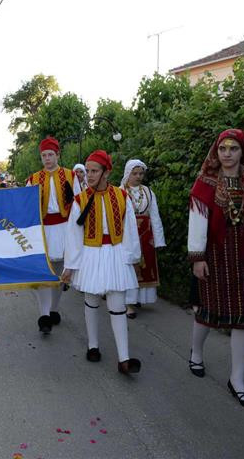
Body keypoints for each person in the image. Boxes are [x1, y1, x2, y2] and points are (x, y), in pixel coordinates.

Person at [187, 129, 244, 409]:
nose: (227, 154)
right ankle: (196, 353)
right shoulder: (205, 182)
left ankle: (237, 380)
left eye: (233, 149)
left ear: (242, 152)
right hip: (215, 257)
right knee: (207, 313)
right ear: (216, 151)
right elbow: (197, 220)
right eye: (223, 148)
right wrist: (197, 257)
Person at [61, 150, 143, 375]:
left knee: (117, 305)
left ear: (107, 172)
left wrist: (132, 258)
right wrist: (71, 266)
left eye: (94, 171)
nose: (89, 175)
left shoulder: (121, 196)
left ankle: (124, 358)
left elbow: (130, 231)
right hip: (90, 254)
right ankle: (93, 346)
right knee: (91, 301)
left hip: (116, 254)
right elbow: (74, 236)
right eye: (87, 171)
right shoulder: (80, 200)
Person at [26, 136, 81, 334]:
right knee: (44, 272)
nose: (47, 158)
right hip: (44, 230)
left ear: (57, 155)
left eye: (50, 154)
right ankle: (44, 315)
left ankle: (54, 309)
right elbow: (26, 207)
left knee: (60, 274)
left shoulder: (70, 175)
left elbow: (77, 205)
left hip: (65, 229)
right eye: (44, 155)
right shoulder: (33, 179)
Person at [120, 159, 165, 318]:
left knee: (145, 267)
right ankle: (129, 304)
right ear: (128, 173)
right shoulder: (120, 192)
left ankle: (138, 298)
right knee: (131, 267)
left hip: (146, 235)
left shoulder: (148, 191)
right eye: (135, 173)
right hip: (128, 235)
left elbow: (155, 216)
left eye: (141, 173)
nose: (138, 176)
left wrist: (159, 240)